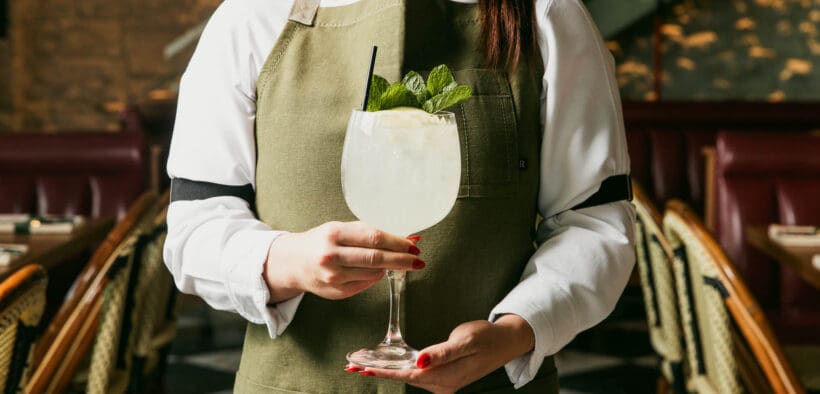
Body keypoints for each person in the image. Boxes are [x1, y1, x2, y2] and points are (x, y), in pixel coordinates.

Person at [163, 0, 635, 392]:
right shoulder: (250, 17)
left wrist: (516, 331)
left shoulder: (546, 14)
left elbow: (594, 221)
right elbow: (194, 226)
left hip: (492, 384)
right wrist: (286, 261)